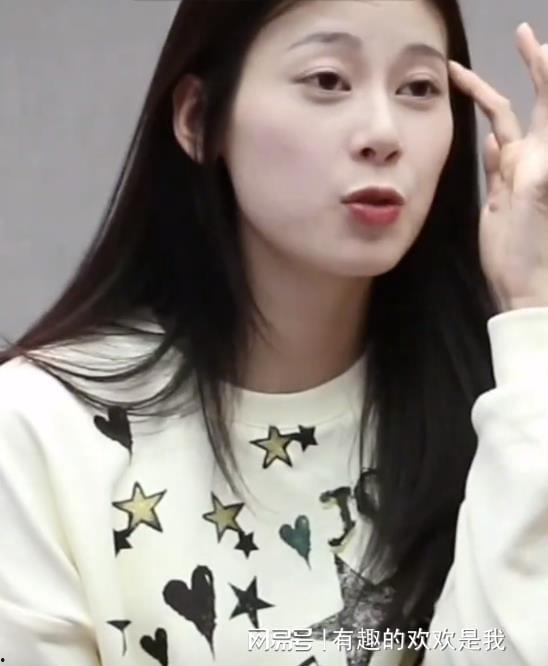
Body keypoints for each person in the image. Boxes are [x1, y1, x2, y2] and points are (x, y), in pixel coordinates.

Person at [1, 0, 548, 664]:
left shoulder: (512, 411)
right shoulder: (38, 431)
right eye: (328, 80)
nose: (383, 133)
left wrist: (531, 311)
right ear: (198, 118)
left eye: (418, 89)